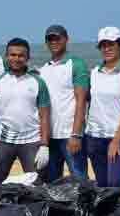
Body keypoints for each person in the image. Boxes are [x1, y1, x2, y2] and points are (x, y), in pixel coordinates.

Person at [0, 38, 51, 187]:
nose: (17, 58)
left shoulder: (38, 82)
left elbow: (45, 116)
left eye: (21, 55)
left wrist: (45, 146)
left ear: (27, 58)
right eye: (13, 55)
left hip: (32, 141)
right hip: (3, 142)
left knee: (37, 186)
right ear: (7, 56)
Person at [84, 27, 120, 188]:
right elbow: (89, 102)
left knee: (115, 184)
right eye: (103, 45)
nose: (107, 49)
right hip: (95, 137)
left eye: (111, 44)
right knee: (102, 186)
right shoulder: (95, 72)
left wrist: (116, 140)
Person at [37, 24, 89, 181]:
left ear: (66, 39)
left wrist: (76, 134)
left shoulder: (76, 64)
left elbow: (81, 102)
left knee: (79, 180)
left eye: (57, 38)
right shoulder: (43, 69)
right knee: (52, 183)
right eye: (50, 39)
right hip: (50, 138)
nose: (53, 41)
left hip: (70, 135)